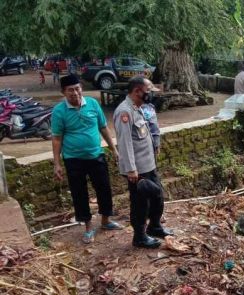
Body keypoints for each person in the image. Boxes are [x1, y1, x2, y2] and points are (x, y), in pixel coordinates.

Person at [51, 74, 123, 244]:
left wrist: (113, 149)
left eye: (77, 88)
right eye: (70, 90)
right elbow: (57, 138)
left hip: (96, 155)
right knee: (79, 193)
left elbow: (103, 128)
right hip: (73, 159)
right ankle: (88, 227)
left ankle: (106, 221)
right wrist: (57, 163)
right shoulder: (59, 111)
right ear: (63, 92)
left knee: (104, 188)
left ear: (81, 89)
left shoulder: (92, 104)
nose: (75, 93)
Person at [114, 76, 173, 249]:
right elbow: (125, 143)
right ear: (137, 91)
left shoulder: (138, 108)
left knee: (158, 196)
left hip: (149, 165)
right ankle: (139, 236)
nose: (150, 95)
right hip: (137, 170)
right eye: (148, 91)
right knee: (140, 203)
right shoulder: (124, 112)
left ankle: (155, 227)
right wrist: (131, 169)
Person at [141, 79, 161, 155]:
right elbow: (154, 127)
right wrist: (157, 144)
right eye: (152, 92)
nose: (153, 94)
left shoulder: (134, 107)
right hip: (149, 145)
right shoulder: (148, 109)